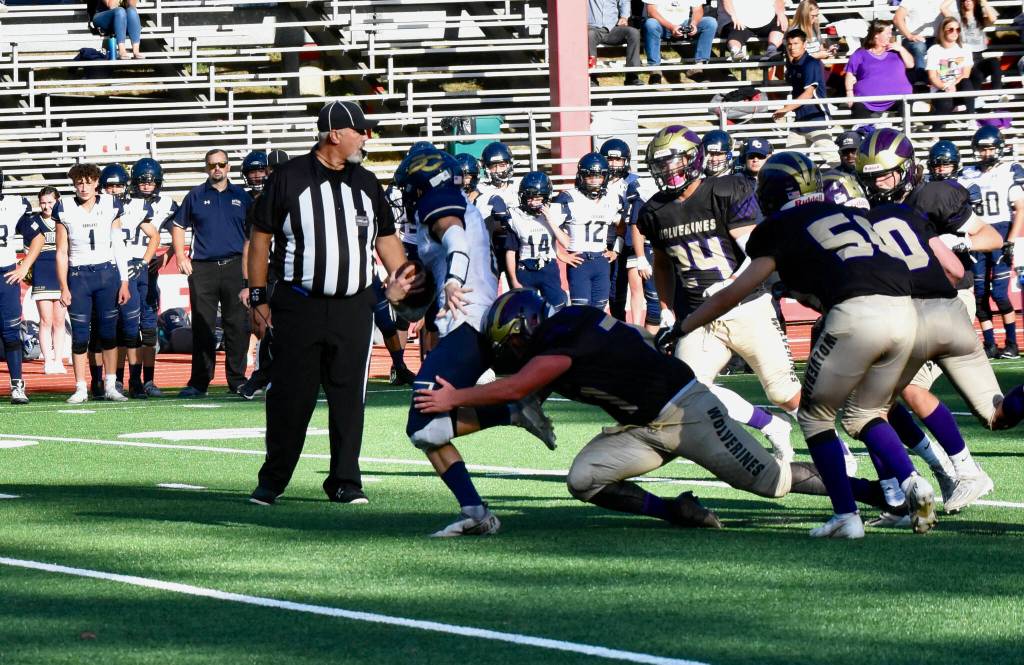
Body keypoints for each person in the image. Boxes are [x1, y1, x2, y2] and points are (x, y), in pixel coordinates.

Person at [415, 290, 901, 530]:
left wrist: (452, 401)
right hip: (641, 425)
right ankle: (675, 511)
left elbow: (520, 384)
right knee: (583, 480)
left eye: (510, 341)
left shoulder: (560, 339)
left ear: (524, 329)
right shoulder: (571, 322)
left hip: (687, 411)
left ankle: (876, 493)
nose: (509, 351)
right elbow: (529, 391)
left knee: (770, 483)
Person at [674, 151, 938, 538]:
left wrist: (685, 325)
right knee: (868, 411)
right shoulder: (846, 212)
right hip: (907, 310)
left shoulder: (781, 225)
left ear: (770, 194)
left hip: (858, 313)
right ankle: (913, 482)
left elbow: (734, 292)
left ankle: (847, 515)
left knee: (815, 417)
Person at [247, 100, 413, 506]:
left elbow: (386, 238)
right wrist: (257, 295)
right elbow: (261, 238)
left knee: (348, 399)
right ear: (335, 134)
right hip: (299, 305)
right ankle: (273, 480)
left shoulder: (368, 183)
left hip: (353, 306)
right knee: (291, 396)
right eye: (359, 131)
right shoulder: (288, 178)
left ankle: (344, 481)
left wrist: (407, 279)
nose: (365, 138)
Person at [848, 130, 1019, 516]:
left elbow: (990, 236)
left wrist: (957, 242)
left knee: (882, 398)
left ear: (907, 171)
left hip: (944, 301)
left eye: (886, 175)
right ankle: (942, 475)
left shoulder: (933, 196)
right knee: (994, 415)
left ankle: (954, 473)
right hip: (911, 310)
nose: (878, 183)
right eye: (872, 176)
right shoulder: (872, 211)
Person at [395, 147, 556, 537]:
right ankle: (476, 512)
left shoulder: (440, 201)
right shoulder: (445, 208)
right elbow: (415, 305)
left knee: (422, 423)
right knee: (425, 430)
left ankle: (511, 410)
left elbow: (458, 246)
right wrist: (398, 297)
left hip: (468, 320)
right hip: (461, 321)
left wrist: (451, 280)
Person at [638, 125, 800, 464]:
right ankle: (771, 425)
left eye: (675, 162)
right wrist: (667, 311)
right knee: (686, 390)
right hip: (700, 314)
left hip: (747, 304)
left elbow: (757, 253)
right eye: (662, 166)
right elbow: (664, 265)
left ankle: (836, 445)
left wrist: (728, 286)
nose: (668, 172)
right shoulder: (655, 210)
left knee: (782, 391)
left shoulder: (725, 190)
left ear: (694, 158)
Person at [171, 149, 253, 397]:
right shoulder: (195, 195)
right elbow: (178, 226)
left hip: (235, 266)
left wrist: (249, 273)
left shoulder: (242, 196)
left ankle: (237, 381)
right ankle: (199, 382)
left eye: (221, 164)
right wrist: (181, 255)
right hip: (203, 268)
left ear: (229, 167)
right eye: (212, 165)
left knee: (237, 326)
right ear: (206, 168)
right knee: (203, 326)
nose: (217, 168)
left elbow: (252, 237)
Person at [55, 163, 131, 404]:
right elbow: (61, 251)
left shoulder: (110, 204)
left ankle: (110, 384)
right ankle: (79, 387)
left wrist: (124, 280)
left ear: (97, 182)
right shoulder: (64, 207)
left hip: (106, 273)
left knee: (109, 333)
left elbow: (118, 243)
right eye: (79, 182)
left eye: (88, 181)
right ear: (74, 184)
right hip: (79, 276)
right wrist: (63, 286)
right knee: (79, 336)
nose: (84, 186)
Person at [959, 126, 1023, 358]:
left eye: (989, 149)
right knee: (978, 294)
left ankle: (1012, 343)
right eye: (982, 149)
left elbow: (1020, 209)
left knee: (1000, 294)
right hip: (977, 233)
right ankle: (989, 344)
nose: (986, 154)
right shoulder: (966, 174)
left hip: (1001, 231)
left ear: (999, 148)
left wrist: (1011, 240)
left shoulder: (1010, 170)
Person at [101, 163, 159, 398]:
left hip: (132, 270)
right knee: (109, 329)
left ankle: (135, 380)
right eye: (109, 186)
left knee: (131, 329)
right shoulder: (96, 208)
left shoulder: (136, 207)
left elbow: (154, 235)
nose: (114, 190)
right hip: (106, 269)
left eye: (117, 186)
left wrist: (144, 261)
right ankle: (112, 381)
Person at [130, 157, 178, 397]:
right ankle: (121, 380)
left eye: (151, 181)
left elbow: (178, 232)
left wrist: (167, 256)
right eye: (142, 181)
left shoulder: (167, 204)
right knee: (125, 329)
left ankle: (148, 380)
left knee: (148, 329)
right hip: (125, 269)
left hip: (147, 270)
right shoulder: (123, 202)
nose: (147, 185)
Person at [552, 153, 620, 309]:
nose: (595, 181)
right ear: (581, 176)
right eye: (590, 176)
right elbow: (548, 228)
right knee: (580, 311)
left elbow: (621, 225)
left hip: (601, 261)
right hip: (580, 262)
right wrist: (560, 254)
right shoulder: (568, 198)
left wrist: (617, 249)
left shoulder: (613, 198)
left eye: (599, 176)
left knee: (600, 310)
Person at [0, 177, 44, 404]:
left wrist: (25, 265)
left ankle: (17, 384)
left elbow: (38, 237)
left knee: (10, 334)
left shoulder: (14, 205)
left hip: (5, 276)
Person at [505, 171, 570, 312]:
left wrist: (550, 220)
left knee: (557, 309)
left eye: (538, 198)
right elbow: (510, 252)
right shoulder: (516, 216)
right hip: (525, 268)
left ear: (546, 198)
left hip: (548, 267)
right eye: (529, 198)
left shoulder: (555, 213)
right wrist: (513, 280)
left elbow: (566, 243)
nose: (534, 203)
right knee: (525, 312)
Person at [773, 28, 837, 166]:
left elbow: (808, 94)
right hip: (800, 121)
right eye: (789, 44)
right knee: (791, 162)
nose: (792, 47)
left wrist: (785, 109)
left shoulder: (810, 63)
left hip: (816, 119)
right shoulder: (794, 64)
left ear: (804, 44)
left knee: (834, 161)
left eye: (796, 43)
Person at [844, 20, 914, 120]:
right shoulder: (861, 53)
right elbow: (850, 73)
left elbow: (910, 65)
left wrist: (901, 49)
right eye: (887, 33)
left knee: (907, 105)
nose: (890, 36)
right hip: (866, 100)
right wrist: (849, 93)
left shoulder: (896, 51)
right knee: (859, 111)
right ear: (876, 34)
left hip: (899, 98)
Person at [30, 187, 67, 375]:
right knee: (45, 320)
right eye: (43, 202)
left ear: (57, 201)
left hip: (61, 273)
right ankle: (48, 360)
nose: (46, 206)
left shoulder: (64, 219)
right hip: (42, 272)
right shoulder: (34, 221)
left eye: (50, 202)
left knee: (59, 320)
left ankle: (58, 360)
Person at [641, 0, 717, 84]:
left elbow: (698, 9)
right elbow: (651, 11)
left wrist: (694, 24)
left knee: (710, 22)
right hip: (661, 24)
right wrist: (671, 27)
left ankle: (698, 65)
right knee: (650, 24)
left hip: (684, 23)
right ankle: (654, 70)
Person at [925, 16, 974, 132]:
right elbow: (932, 77)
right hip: (941, 89)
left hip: (958, 89)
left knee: (966, 82)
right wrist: (945, 86)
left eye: (958, 29)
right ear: (943, 31)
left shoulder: (965, 48)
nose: (955, 32)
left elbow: (965, 74)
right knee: (945, 102)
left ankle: (971, 118)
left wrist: (953, 85)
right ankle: (935, 133)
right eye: (950, 29)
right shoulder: (934, 50)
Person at [945, 0, 1002, 98]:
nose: (968, 2)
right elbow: (943, 8)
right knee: (977, 75)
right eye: (965, 0)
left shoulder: (980, 18)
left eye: (970, 0)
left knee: (994, 62)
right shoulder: (957, 18)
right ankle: (974, 100)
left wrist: (984, 2)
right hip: (965, 59)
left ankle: (997, 94)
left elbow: (993, 19)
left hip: (979, 58)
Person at [588, 0, 643, 86]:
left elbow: (624, 2)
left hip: (613, 28)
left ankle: (632, 76)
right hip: (593, 28)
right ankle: (591, 77)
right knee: (589, 35)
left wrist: (624, 17)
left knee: (633, 33)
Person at [720, 0, 787, 62]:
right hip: (738, 20)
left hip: (766, 17)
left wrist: (781, 13)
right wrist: (733, 15)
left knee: (779, 24)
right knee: (735, 31)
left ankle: (772, 50)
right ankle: (736, 52)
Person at [894, 0, 945, 74]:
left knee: (945, 47)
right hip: (914, 39)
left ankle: (945, 79)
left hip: (937, 38)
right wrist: (909, 36)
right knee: (919, 47)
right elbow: (897, 19)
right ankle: (920, 79)